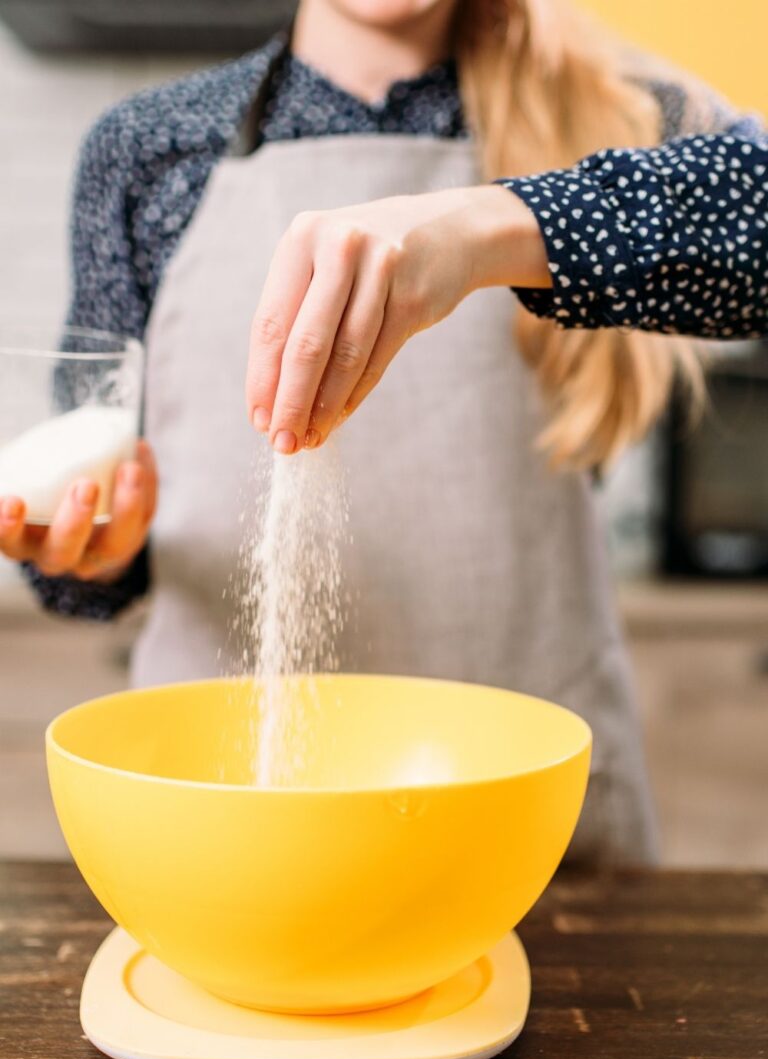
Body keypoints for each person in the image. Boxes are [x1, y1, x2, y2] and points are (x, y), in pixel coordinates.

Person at [1, 0, 766, 864]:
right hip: (227, 821)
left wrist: (491, 228)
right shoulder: (150, 147)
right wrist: (98, 549)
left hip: (523, 832)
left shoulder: (614, 115)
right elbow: (96, 515)